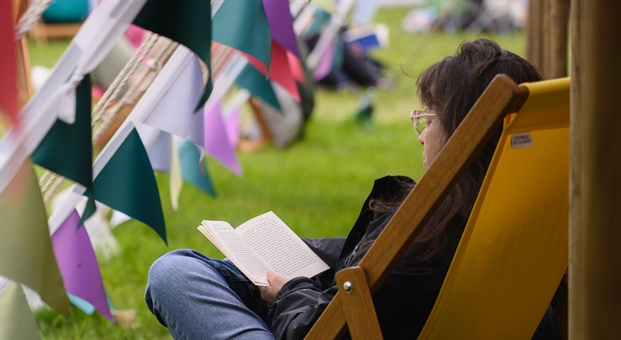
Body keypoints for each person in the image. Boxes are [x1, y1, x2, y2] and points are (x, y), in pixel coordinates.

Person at [144, 39, 557, 340]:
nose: (421, 135)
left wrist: (289, 290)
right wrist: (310, 253)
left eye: (427, 120)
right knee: (203, 267)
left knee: (174, 272)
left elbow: (314, 331)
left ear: (463, 136)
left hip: (331, 320)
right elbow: (382, 273)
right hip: (366, 302)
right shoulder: (522, 212)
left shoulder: (430, 233)